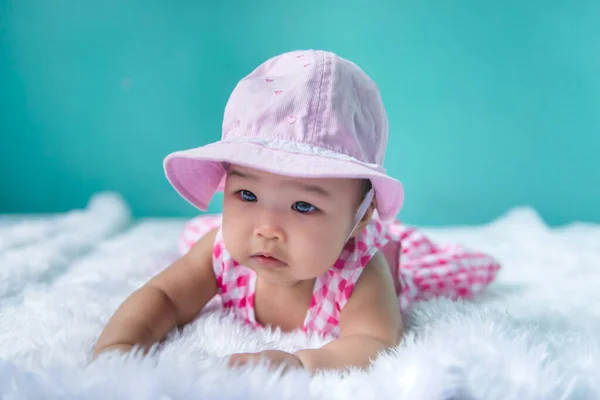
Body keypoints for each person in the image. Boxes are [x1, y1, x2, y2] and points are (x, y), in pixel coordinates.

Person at [91, 50, 501, 374]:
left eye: (303, 205)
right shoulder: (220, 252)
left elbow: (376, 342)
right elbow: (163, 296)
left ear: (360, 218)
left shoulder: (359, 272)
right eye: (246, 195)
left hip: (376, 259)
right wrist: (121, 345)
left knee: (416, 263)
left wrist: (302, 362)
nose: (267, 229)